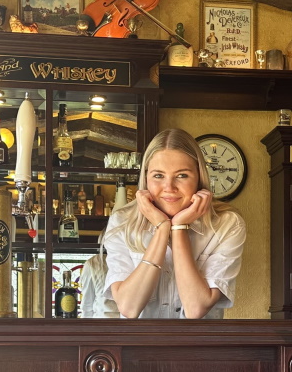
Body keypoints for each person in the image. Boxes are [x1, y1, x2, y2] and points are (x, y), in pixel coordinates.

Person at [103, 129, 246, 318]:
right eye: (158, 176)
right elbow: (129, 307)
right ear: (145, 178)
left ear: (199, 178)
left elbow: (196, 309)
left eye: (182, 175)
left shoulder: (227, 224)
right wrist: (162, 229)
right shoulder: (122, 221)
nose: (169, 188)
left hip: (200, 346)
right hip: (138, 346)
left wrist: (178, 228)